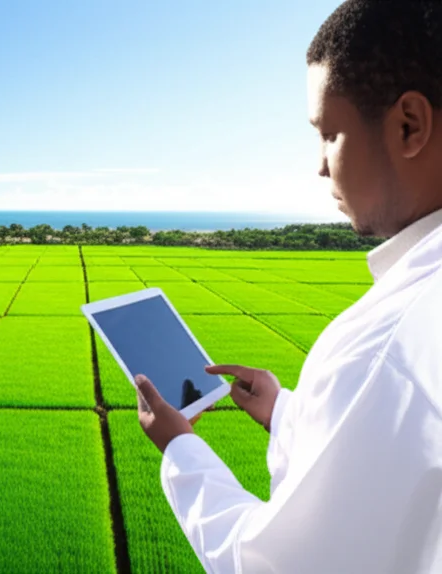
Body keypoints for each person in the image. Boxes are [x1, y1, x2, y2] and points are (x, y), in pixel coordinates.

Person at [133, 1, 442, 571]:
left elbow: (276, 564)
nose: (321, 167)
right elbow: (397, 461)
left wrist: (180, 448)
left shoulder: (385, 343)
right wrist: (285, 413)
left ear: (409, 126)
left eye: (329, 133)